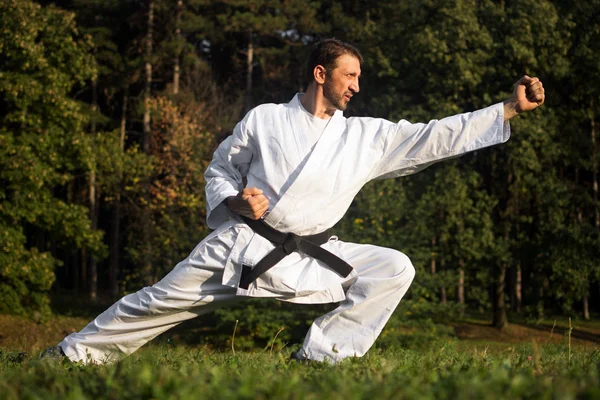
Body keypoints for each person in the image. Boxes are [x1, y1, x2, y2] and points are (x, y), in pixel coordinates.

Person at [43, 38, 545, 364]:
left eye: (360, 78)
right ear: (321, 74)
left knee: (392, 267)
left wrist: (506, 109)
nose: (357, 86)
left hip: (313, 254)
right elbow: (220, 168)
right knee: (157, 302)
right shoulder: (264, 119)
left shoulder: (364, 137)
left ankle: (320, 359)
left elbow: (435, 135)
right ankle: (70, 356)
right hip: (242, 248)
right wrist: (236, 201)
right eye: (350, 76)